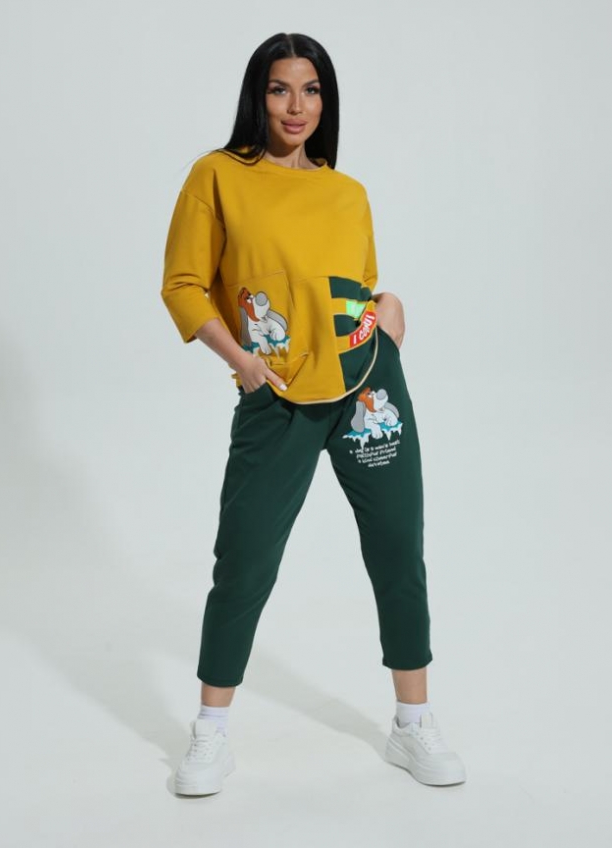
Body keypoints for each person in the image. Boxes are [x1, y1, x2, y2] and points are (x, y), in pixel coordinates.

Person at [160, 32, 466, 796]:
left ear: (326, 101)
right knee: (244, 560)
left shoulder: (347, 192)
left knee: (398, 548)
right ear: (257, 97)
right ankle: (210, 731)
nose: (296, 106)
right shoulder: (217, 176)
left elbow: (351, 285)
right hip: (276, 395)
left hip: (367, 386)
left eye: (311, 90)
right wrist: (242, 362)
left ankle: (413, 722)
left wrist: (389, 308)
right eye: (279, 89)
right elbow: (183, 284)